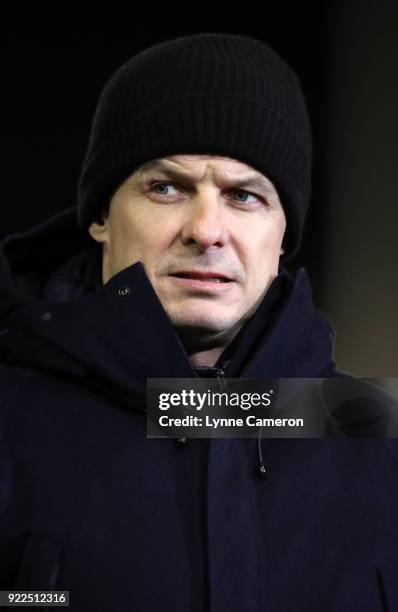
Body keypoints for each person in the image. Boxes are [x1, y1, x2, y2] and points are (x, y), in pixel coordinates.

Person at [0, 33, 397, 612]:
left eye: (244, 197)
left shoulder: (374, 433)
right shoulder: (11, 417)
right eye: (167, 188)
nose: (206, 230)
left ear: (284, 236)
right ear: (100, 217)